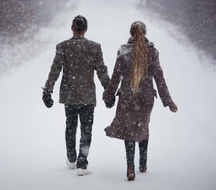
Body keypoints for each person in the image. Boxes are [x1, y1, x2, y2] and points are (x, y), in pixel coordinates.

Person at [103, 21, 178, 181]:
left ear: (130, 33)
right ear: (145, 33)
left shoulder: (123, 51)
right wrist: (168, 101)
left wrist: (108, 95)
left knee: (129, 130)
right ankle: (143, 163)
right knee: (143, 126)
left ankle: (130, 167)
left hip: (127, 96)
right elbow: (159, 78)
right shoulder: (152, 52)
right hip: (146, 97)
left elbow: (116, 77)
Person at [42, 15, 110, 176]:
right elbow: (102, 71)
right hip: (87, 96)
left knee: (70, 127)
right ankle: (82, 164)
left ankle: (71, 158)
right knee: (86, 130)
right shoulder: (94, 47)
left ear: (72, 28)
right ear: (86, 29)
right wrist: (109, 92)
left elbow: (55, 70)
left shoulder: (63, 47)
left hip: (70, 94)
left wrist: (48, 90)